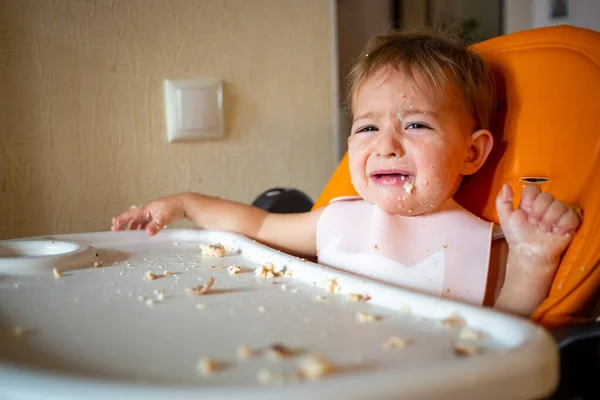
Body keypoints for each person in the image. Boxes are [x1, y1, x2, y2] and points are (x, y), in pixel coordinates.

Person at [111, 29, 581, 317]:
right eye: (367, 127)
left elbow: (509, 330)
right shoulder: (337, 222)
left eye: (415, 124)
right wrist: (188, 203)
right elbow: (257, 225)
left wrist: (532, 260)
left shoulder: (483, 244)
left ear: (473, 154)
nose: (386, 145)